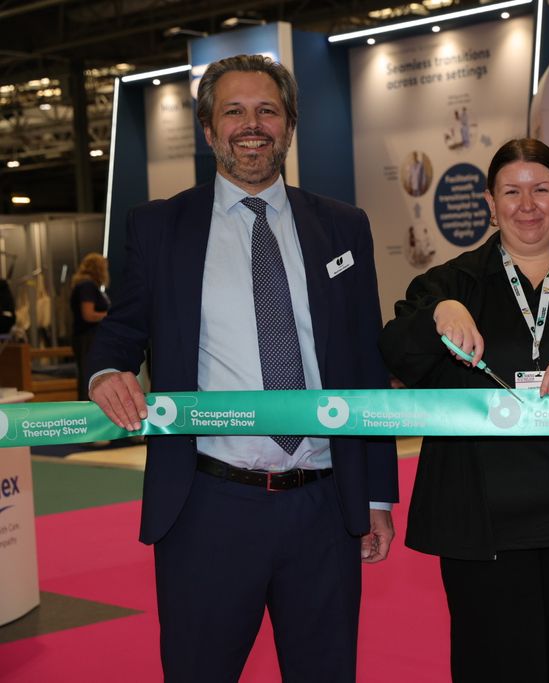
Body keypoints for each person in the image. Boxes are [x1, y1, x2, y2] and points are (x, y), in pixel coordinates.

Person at [87, 55, 398, 683]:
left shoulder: (344, 226)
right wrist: (106, 373)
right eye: (233, 111)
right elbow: (122, 330)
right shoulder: (159, 226)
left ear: (289, 127)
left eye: (267, 111)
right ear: (208, 129)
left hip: (325, 505)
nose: (251, 125)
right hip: (208, 506)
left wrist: (374, 494)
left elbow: (365, 361)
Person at [379, 138, 549, 682]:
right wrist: (438, 314)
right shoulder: (451, 282)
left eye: (541, 190)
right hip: (483, 531)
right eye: (511, 192)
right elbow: (395, 352)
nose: (527, 205)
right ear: (490, 202)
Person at [69, 252, 110, 400]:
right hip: (88, 338)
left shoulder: (86, 285)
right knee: (89, 376)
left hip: (87, 337)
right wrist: (110, 316)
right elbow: (88, 315)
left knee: (88, 375)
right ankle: (87, 406)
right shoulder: (87, 286)